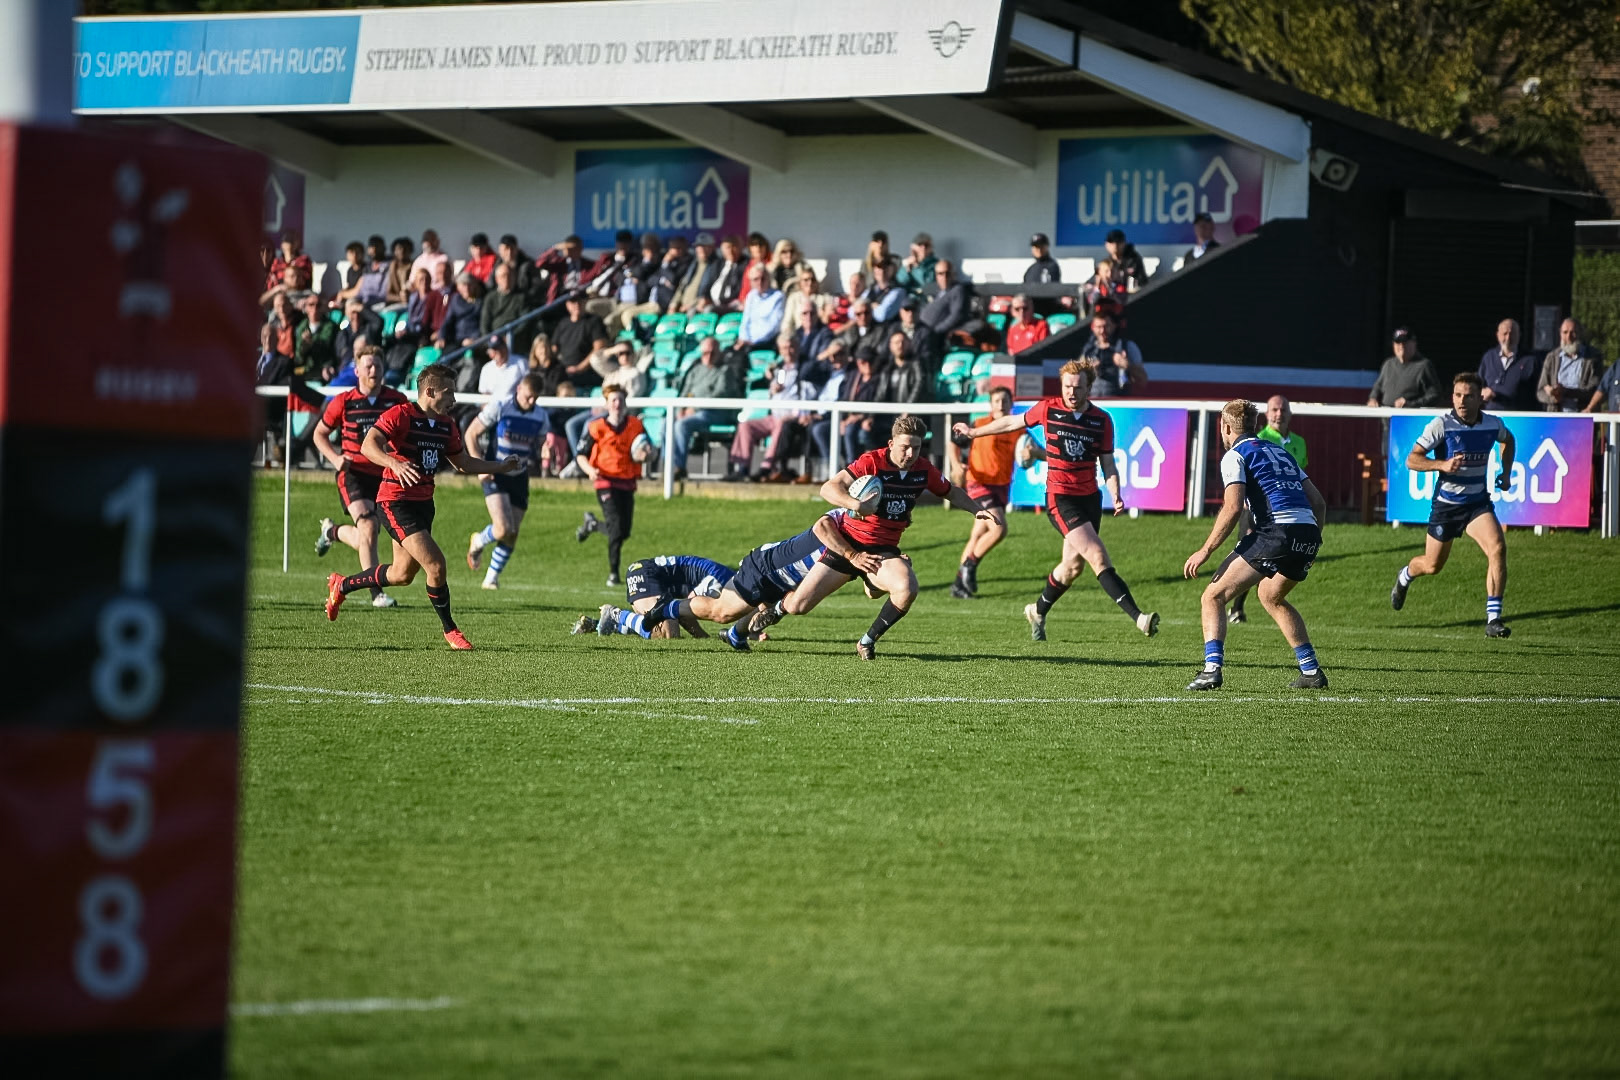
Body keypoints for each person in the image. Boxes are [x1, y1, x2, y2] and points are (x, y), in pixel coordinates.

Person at [953, 359, 1159, 642]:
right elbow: (1012, 421)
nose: (1071, 392)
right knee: (1097, 555)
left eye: (1077, 387)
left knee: (1072, 568)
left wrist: (1116, 493)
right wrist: (975, 432)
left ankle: (1037, 610)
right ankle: (1139, 617)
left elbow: (1108, 464)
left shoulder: (1101, 420)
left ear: (1089, 388)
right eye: (1067, 387)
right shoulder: (1048, 408)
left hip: (1090, 498)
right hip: (1060, 498)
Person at [755, 415, 992, 659]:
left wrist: (976, 509)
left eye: (916, 448)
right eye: (905, 447)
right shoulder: (872, 462)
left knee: (907, 588)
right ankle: (778, 609)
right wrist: (856, 504)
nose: (910, 453)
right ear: (891, 444)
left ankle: (866, 641)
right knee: (799, 607)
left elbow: (951, 491)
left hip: (883, 550)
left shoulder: (923, 470)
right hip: (847, 545)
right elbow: (828, 488)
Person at [323, 363, 523, 648]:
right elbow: (369, 445)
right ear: (430, 391)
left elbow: (463, 462)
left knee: (401, 575)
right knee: (436, 565)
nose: (454, 399)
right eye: (449, 392)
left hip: (424, 504)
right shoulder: (401, 414)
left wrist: (501, 467)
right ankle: (451, 630)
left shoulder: (446, 425)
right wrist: (394, 463)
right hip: (395, 502)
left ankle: (341, 585)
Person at [1182, 399, 1329, 690]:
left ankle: (1212, 669)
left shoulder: (1235, 455)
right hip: (1308, 534)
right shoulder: (1282, 452)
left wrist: (1205, 550)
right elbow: (1319, 503)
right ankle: (1311, 671)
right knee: (1271, 595)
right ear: (1256, 426)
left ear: (1225, 427)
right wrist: (1313, 538)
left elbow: (1233, 507)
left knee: (1212, 596)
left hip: (1276, 532)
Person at [1390, 372, 1515, 638]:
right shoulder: (1441, 425)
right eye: (1458, 395)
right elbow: (1412, 459)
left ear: (1480, 398)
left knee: (1498, 548)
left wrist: (1505, 472)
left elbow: (1508, 440)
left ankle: (1493, 619)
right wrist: (1441, 465)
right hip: (1447, 506)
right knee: (1432, 566)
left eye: (1468, 396)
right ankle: (1406, 575)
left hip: (1477, 504)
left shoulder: (1492, 424)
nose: (1462, 401)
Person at [680, 510, 878, 648]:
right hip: (765, 565)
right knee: (722, 613)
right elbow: (822, 525)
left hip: (787, 580)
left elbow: (872, 591)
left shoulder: (871, 543)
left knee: (774, 606)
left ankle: (736, 635)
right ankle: (665, 608)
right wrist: (853, 556)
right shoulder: (840, 521)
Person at [313, 347, 410, 608]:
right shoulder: (344, 401)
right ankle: (376, 593)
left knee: (366, 537)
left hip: (385, 476)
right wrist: (334, 459)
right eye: (368, 365)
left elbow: (409, 434)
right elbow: (319, 433)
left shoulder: (396, 400)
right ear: (356, 371)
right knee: (368, 527)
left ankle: (331, 532)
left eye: (377, 365)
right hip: (353, 474)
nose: (373, 370)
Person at [464, 374, 552, 590]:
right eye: (529, 397)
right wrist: (480, 467)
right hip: (496, 472)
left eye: (535, 398)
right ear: (519, 388)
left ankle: (491, 578)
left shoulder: (541, 416)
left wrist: (545, 449)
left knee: (512, 533)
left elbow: (540, 443)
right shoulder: (501, 406)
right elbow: (471, 434)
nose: (531, 402)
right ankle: (478, 541)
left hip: (519, 476)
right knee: (503, 528)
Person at [1227, 394, 1307, 624]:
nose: (1279, 414)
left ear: (1290, 414)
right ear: (1266, 414)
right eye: (1274, 409)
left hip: (1285, 514)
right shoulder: (1257, 440)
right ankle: (1237, 608)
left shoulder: (1299, 443)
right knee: (1247, 554)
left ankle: (1268, 599)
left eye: (1283, 410)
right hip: (1255, 510)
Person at [575, 384, 652, 586]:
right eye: (613, 400)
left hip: (627, 482)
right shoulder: (596, 427)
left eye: (621, 400)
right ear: (607, 404)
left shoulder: (636, 425)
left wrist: (647, 454)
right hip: (605, 481)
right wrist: (590, 470)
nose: (617, 404)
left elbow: (649, 450)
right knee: (616, 528)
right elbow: (581, 455)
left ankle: (593, 525)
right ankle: (613, 574)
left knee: (624, 530)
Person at [949, 386, 1022, 599]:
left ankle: (958, 585)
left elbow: (1031, 450)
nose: (1001, 404)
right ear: (991, 404)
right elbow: (954, 442)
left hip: (1001, 485)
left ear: (1011, 403)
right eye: (997, 400)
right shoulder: (980, 424)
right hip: (978, 483)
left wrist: (1033, 453)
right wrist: (955, 465)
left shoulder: (1018, 428)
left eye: (1005, 400)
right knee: (999, 528)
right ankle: (969, 566)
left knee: (978, 534)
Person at [577, 555, 734, 640]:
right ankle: (615, 614)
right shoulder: (720, 581)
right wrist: (703, 637)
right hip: (645, 574)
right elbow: (687, 608)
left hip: (645, 575)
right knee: (666, 634)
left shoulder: (731, 583)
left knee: (654, 627)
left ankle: (602, 624)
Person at [728, 336, 818, 480]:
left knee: (781, 424)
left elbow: (809, 394)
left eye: (791, 347)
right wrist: (772, 388)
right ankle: (742, 468)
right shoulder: (779, 368)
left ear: (797, 348)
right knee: (746, 425)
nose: (788, 351)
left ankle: (767, 467)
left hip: (792, 417)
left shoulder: (805, 368)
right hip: (774, 415)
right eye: (784, 348)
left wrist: (796, 413)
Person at [670, 335, 740, 478]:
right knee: (667, 423)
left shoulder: (725, 371)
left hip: (714, 413)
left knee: (682, 425)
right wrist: (680, 410)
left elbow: (719, 395)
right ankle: (669, 466)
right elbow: (685, 392)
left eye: (712, 353)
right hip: (690, 411)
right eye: (705, 353)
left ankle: (679, 466)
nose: (708, 357)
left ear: (719, 352)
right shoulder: (695, 370)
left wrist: (693, 408)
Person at [1537, 318, 1603, 412]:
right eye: (1565, 332)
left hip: (1582, 417)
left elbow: (1595, 390)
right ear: (1560, 334)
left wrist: (1566, 392)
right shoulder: (1552, 358)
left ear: (1580, 333)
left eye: (1573, 332)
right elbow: (1540, 392)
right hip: (1557, 418)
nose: (1569, 337)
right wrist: (1553, 396)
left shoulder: (1593, 358)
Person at [1368, 328, 1442, 408]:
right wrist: (1373, 398)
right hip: (1386, 418)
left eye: (1405, 342)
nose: (1401, 346)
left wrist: (1411, 404)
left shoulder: (1424, 365)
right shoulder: (1388, 364)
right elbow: (1378, 386)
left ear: (1414, 343)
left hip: (1410, 418)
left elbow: (1435, 395)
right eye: (1398, 342)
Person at [1079, 313, 1147, 396]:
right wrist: (1088, 372)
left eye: (1106, 326)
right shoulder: (1088, 350)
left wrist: (1128, 365)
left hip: (1118, 404)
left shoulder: (1127, 347)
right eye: (1099, 327)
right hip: (1094, 404)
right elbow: (1076, 381)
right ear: (1093, 327)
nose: (1102, 331)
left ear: (1114, 326)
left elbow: (1143, 381)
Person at [552, 293, 610, 389]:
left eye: (580, 301)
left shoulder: (594, 321)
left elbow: (600, 347)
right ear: (567, 304)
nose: (577, 304)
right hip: (563, 374)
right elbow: (554, 348)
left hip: (587, 376)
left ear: (585, 302)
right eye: (573, 301)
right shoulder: (563, 323)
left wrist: (579, 368)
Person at [1478, 318, 1538, 411]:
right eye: (1504, 334)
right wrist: (1483, 393)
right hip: (1491, 415)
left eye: (1512, 333)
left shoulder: (1530, 360)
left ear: (1519, 335)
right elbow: (1478, 385)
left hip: (1518, 417)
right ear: (1498, 335)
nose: (1508, 338)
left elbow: (1537, 392)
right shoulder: (1489, 357)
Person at [536, 234, 592, 307]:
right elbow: (540, 263)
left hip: (579, 298)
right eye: (568, 249)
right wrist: (555, 248)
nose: (572, 251)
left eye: (575, 248)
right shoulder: (559, 263)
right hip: (559, 298)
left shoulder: (588, 264)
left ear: (581, 249)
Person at [475, 335, 525, 402]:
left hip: (516, 407)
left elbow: (527, 388)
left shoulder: (521, 363)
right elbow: (484, 395)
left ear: (506, 347)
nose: (498, 352)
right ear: (489, 352)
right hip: (493, 408)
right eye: (494, 349)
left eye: (500, 348)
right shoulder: (486, 369)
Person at [895, 232, 938, 296]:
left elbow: (927, 283)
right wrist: (906, 269)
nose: (923, 248)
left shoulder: (936, 264)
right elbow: (900, 283)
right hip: (910, 299)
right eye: (920, 244)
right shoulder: (908, 263)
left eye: (926, 245)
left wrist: (917, 266)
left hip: (928, 299)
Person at [864, 258, 904, 326]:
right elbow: (853, 312)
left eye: (885, 268)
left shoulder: (898, 291)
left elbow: (882, 315)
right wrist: (874, 306)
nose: (882, 271)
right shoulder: (870, 290)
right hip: (870, 330)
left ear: (892, 270)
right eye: (879, 267)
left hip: (887, 330)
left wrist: (868, 307)